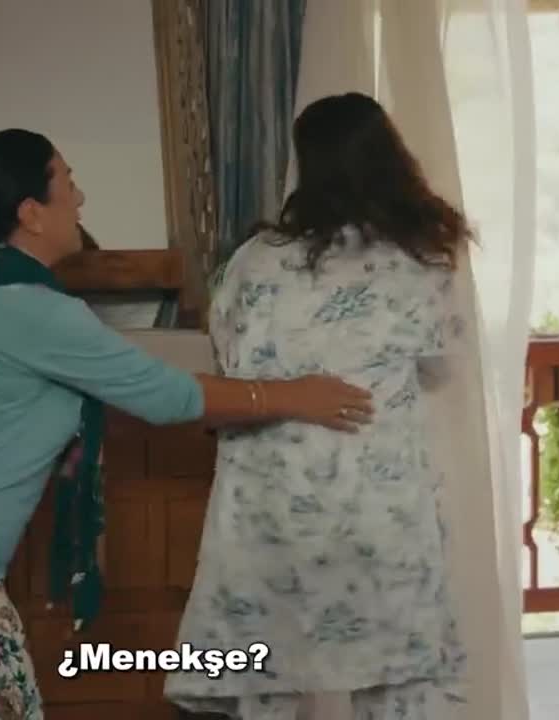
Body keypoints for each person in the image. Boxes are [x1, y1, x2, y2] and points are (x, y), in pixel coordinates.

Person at [0, 127, 376, 719]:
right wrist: (293, 395)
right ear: (31, 212)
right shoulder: (37, 312)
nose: (80, 199)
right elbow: (166, 395)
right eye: (68, 182)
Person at [164, 93, 482, 720]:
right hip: (378, 507)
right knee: (399, 684)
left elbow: (228, 360)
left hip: (269, 504)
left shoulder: (255, 260)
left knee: (263, 679)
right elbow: (441, 364)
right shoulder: (419, 258)